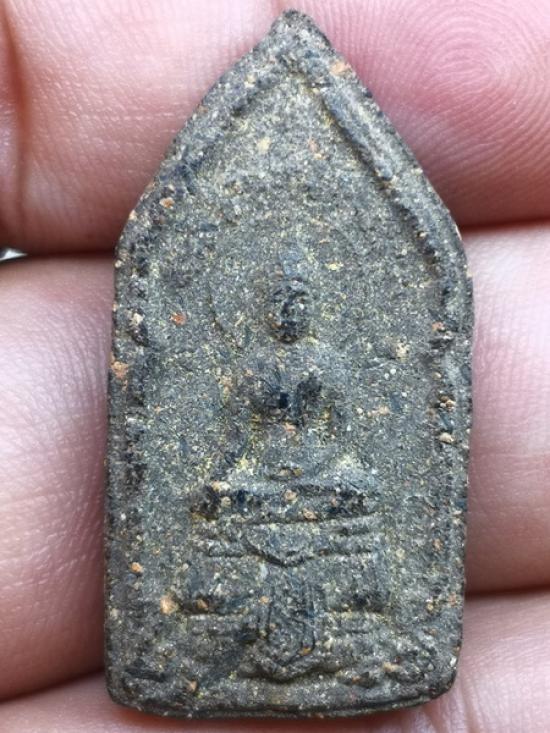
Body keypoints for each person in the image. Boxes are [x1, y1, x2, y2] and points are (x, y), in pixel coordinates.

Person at [1, 1, 550, 730]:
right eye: (282, 300)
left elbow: (344, 434)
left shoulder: (324, 360)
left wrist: (324, 467)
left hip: (319, 469)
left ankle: (346, 610)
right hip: (263, 470)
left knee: (356, 491)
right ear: (268, 309)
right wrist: (236, 476)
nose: (291, 309)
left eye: (300, 299)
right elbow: (239, 433)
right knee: (219, 497)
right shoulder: (257, 362)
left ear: (312, 307)